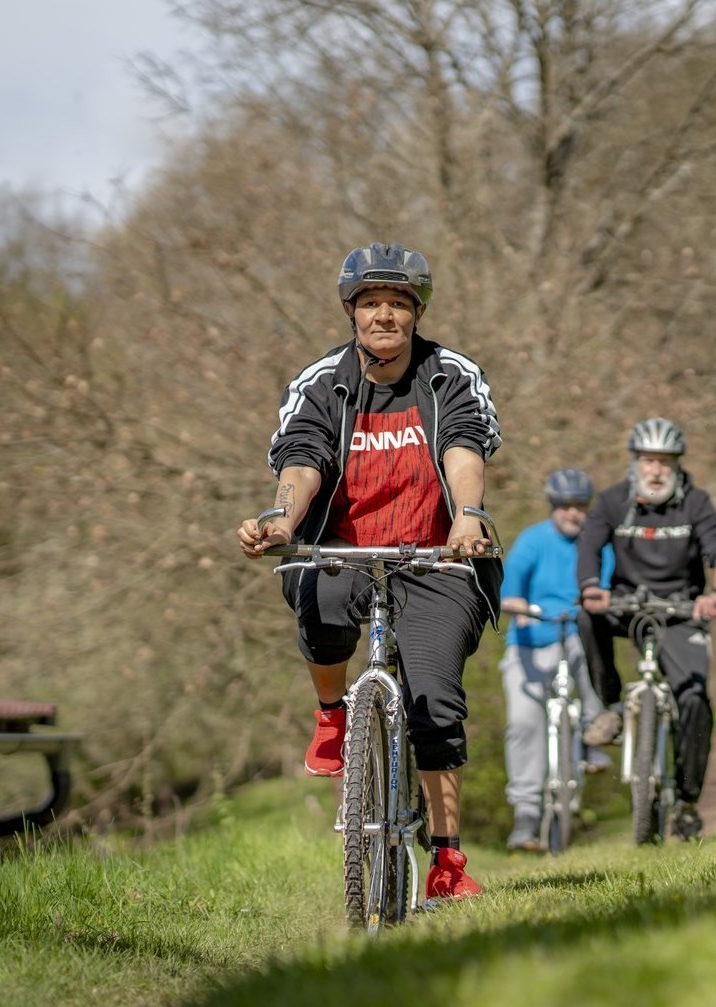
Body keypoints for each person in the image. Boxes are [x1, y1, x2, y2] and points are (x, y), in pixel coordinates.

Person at [236, 242, 502, 897]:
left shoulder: (449, 374)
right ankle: (334, 715)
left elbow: (463, 448)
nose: (384, 315)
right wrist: (282, 518)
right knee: (319, 604)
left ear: (416, 312)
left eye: (398, 304)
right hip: (344, 550)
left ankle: (445, 860)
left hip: (438, 557)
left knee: (435, 699)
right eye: (371, 303)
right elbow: (302, 459)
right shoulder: (323, 382)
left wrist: (468, 513)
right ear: (351, 311)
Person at [576, 418, 716, 840]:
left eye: (665, 462)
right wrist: (592, 588)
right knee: (584, 614)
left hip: (682, 612)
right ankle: (610, 706)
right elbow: (589, 547)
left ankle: (685, 803)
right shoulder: (613, 501)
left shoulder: (695, 503)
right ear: (635, 463)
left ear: (677, 465)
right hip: (628, 606)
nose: (656, 470)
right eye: (649, 460)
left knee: (695, 699)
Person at [497, 468, 614, 852]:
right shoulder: (532, 541)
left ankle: (592, 735)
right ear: (553, 507)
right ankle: (526, 815)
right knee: (523, 723)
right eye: (565, 507)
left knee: (590, 651)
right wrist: (518, 606)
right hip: (531, 641)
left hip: (574, 634)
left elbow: (606, 586)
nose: (573, 514)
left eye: (579, 506)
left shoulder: (597, 544)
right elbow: (509, 589)